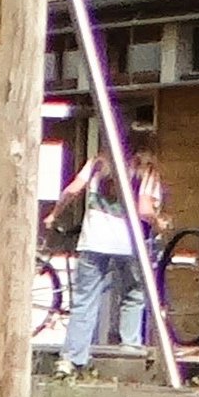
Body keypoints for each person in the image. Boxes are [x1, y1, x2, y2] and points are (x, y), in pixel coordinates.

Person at [59, 142, 163, 375]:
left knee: (85, 300)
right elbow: (145, 209)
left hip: (94, 241)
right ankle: (129, 352)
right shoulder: (147, 170)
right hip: (130, 244)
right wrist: (160, 223)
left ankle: (72, 359)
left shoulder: (98, 163)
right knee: (134, 294)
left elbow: (73, 190)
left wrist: (54, 214)